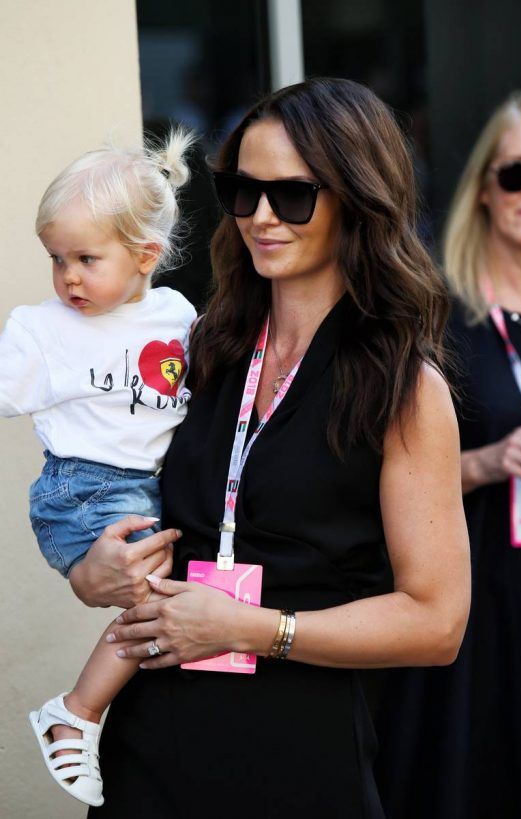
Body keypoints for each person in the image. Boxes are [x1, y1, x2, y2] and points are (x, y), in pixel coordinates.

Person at [69, 77, 469, 819]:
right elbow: (113, 507)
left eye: (290, 195)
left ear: (354, 196)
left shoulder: (402, 386)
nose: (259, 216)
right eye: (240, 190)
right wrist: (93, 570)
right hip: (150, 740)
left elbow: (435, 620)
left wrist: (254, 628)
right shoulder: (196, 352)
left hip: (297, 748)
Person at [0, 129, 196, 807]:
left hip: (149, 490)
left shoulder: (177, 315)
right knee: (157, 609)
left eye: (86, 258)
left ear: (144, 257)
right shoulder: (43, 328)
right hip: (83, 489)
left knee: (170, 606)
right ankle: (77, 713)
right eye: (57, 259)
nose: (68, 278)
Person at [375, 91, 521, 819]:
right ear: (483, 186)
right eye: (518, 173)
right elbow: (374, 471)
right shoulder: (432, 320)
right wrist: (487, 460)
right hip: (475, 615)